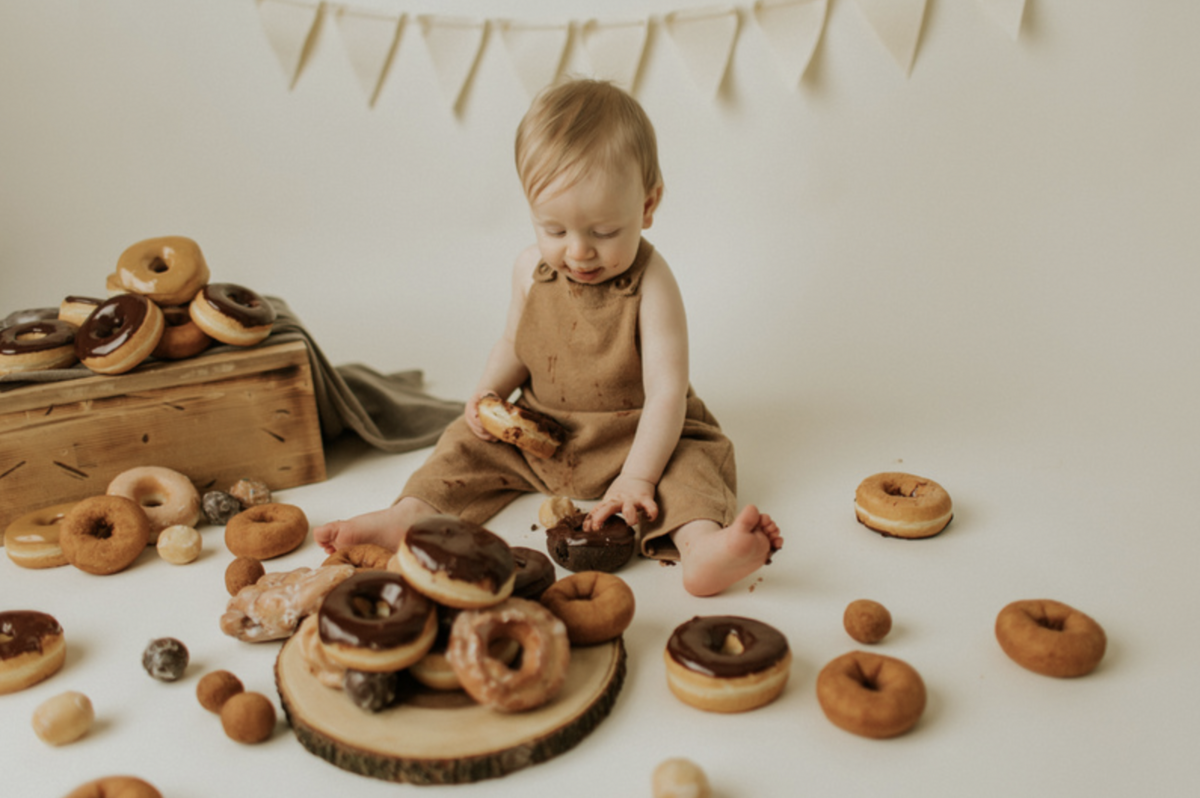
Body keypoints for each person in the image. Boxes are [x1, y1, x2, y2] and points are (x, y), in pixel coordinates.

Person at [315, 78, 781, 596]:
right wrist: (484, 393)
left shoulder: (652, 283)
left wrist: (638, 478)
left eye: (604, 232)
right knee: (461, 446)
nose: (578, 251)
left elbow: (668, 392)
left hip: (639, 435)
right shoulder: (528, 270)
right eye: (554, 230)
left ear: (648, 206)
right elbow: (515, 345)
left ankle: (702, 548)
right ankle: (409, 515)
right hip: (542, 433)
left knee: (695, 465)